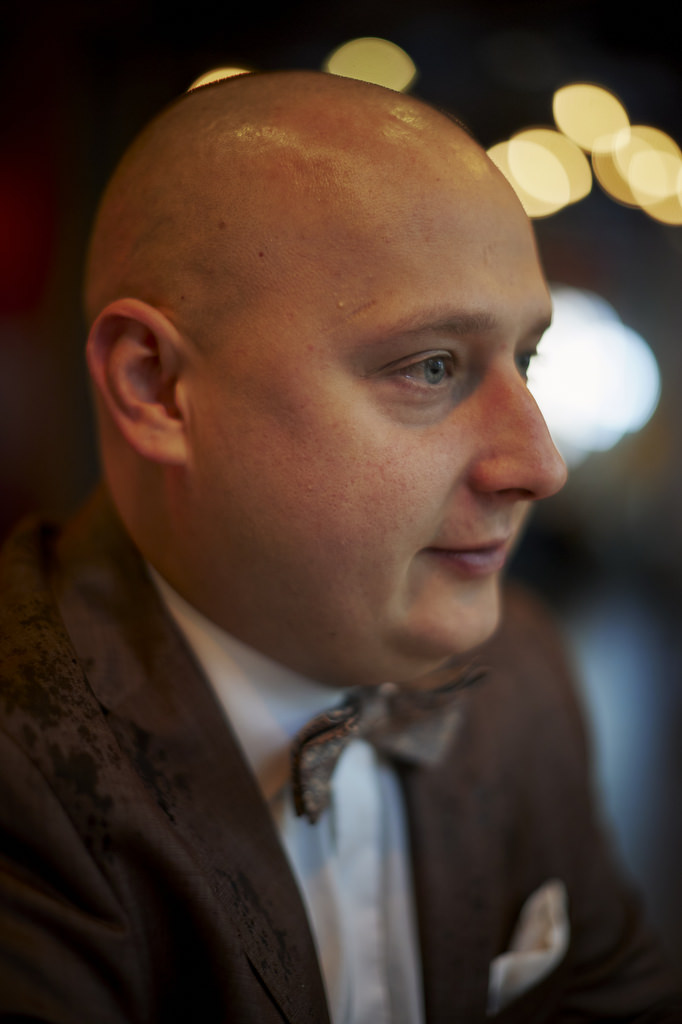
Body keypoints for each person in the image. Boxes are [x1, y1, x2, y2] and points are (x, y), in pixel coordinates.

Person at [0, 69, 680, 1024]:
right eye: (431, 366)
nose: (541, 464)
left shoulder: (520, 666)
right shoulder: (25, 768)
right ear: (156, 388)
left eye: (526, 361)